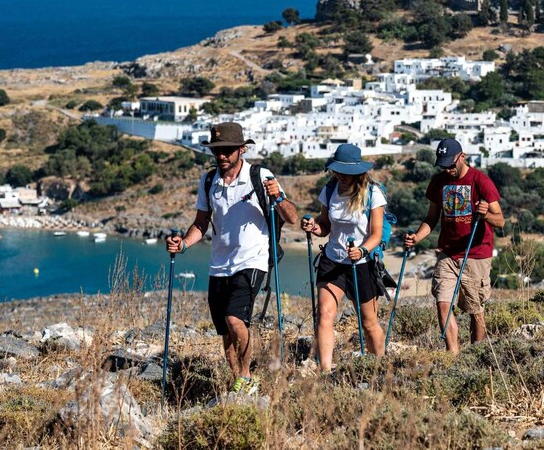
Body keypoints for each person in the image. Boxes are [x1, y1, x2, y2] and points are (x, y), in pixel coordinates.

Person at [166, 122, 297, 395]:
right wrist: (184, 244)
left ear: (241, 149)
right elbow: (201, 223)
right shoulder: (208, 180)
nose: (221, 156)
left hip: (252, 259)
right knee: (225, 330)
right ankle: (238, 379)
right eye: (217, 151)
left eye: (227, 150)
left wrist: (279, 196)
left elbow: (291, 217)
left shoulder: (259, 176)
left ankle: (247, 376)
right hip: (219, 264)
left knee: (235, 319)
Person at [403, 138, 504, 354]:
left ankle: (476, 355)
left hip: (475, 254)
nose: (448, 169)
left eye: (451, 164)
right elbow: (431, 218)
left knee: (475, 311)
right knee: (443, 305)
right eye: (444, 165)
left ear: (462, 157)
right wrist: (417, 237)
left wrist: (484, 214)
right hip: (447, 253)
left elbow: (501, 220)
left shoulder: (481, 181)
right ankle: (453, 356)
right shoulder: (439, 182)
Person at [300, 143, 386, 371]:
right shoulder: (329, 191)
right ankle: (325, 370)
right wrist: (313, 227)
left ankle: (380, 366)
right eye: (338, 171)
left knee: (368, 323)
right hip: (333, 260)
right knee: (324, 314)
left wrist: (362, 251)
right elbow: (325, 226)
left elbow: (376, 233)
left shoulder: (373, 193)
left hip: (362, 264)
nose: (341, 176)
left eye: (346, 172)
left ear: (358, 172)